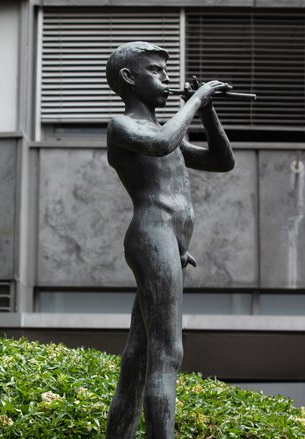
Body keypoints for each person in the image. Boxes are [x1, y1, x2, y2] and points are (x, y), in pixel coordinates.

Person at [104, 41, 234, 438]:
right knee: (168, 352)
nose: (165, 79)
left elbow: (221, 160)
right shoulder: (123, 126)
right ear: (129, 78)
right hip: (152, 235)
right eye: (156, 71)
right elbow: (162, 146)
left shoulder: (164, 129)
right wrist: (196, 99)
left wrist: (207, 110)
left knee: (139, 356)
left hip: (170, 244)